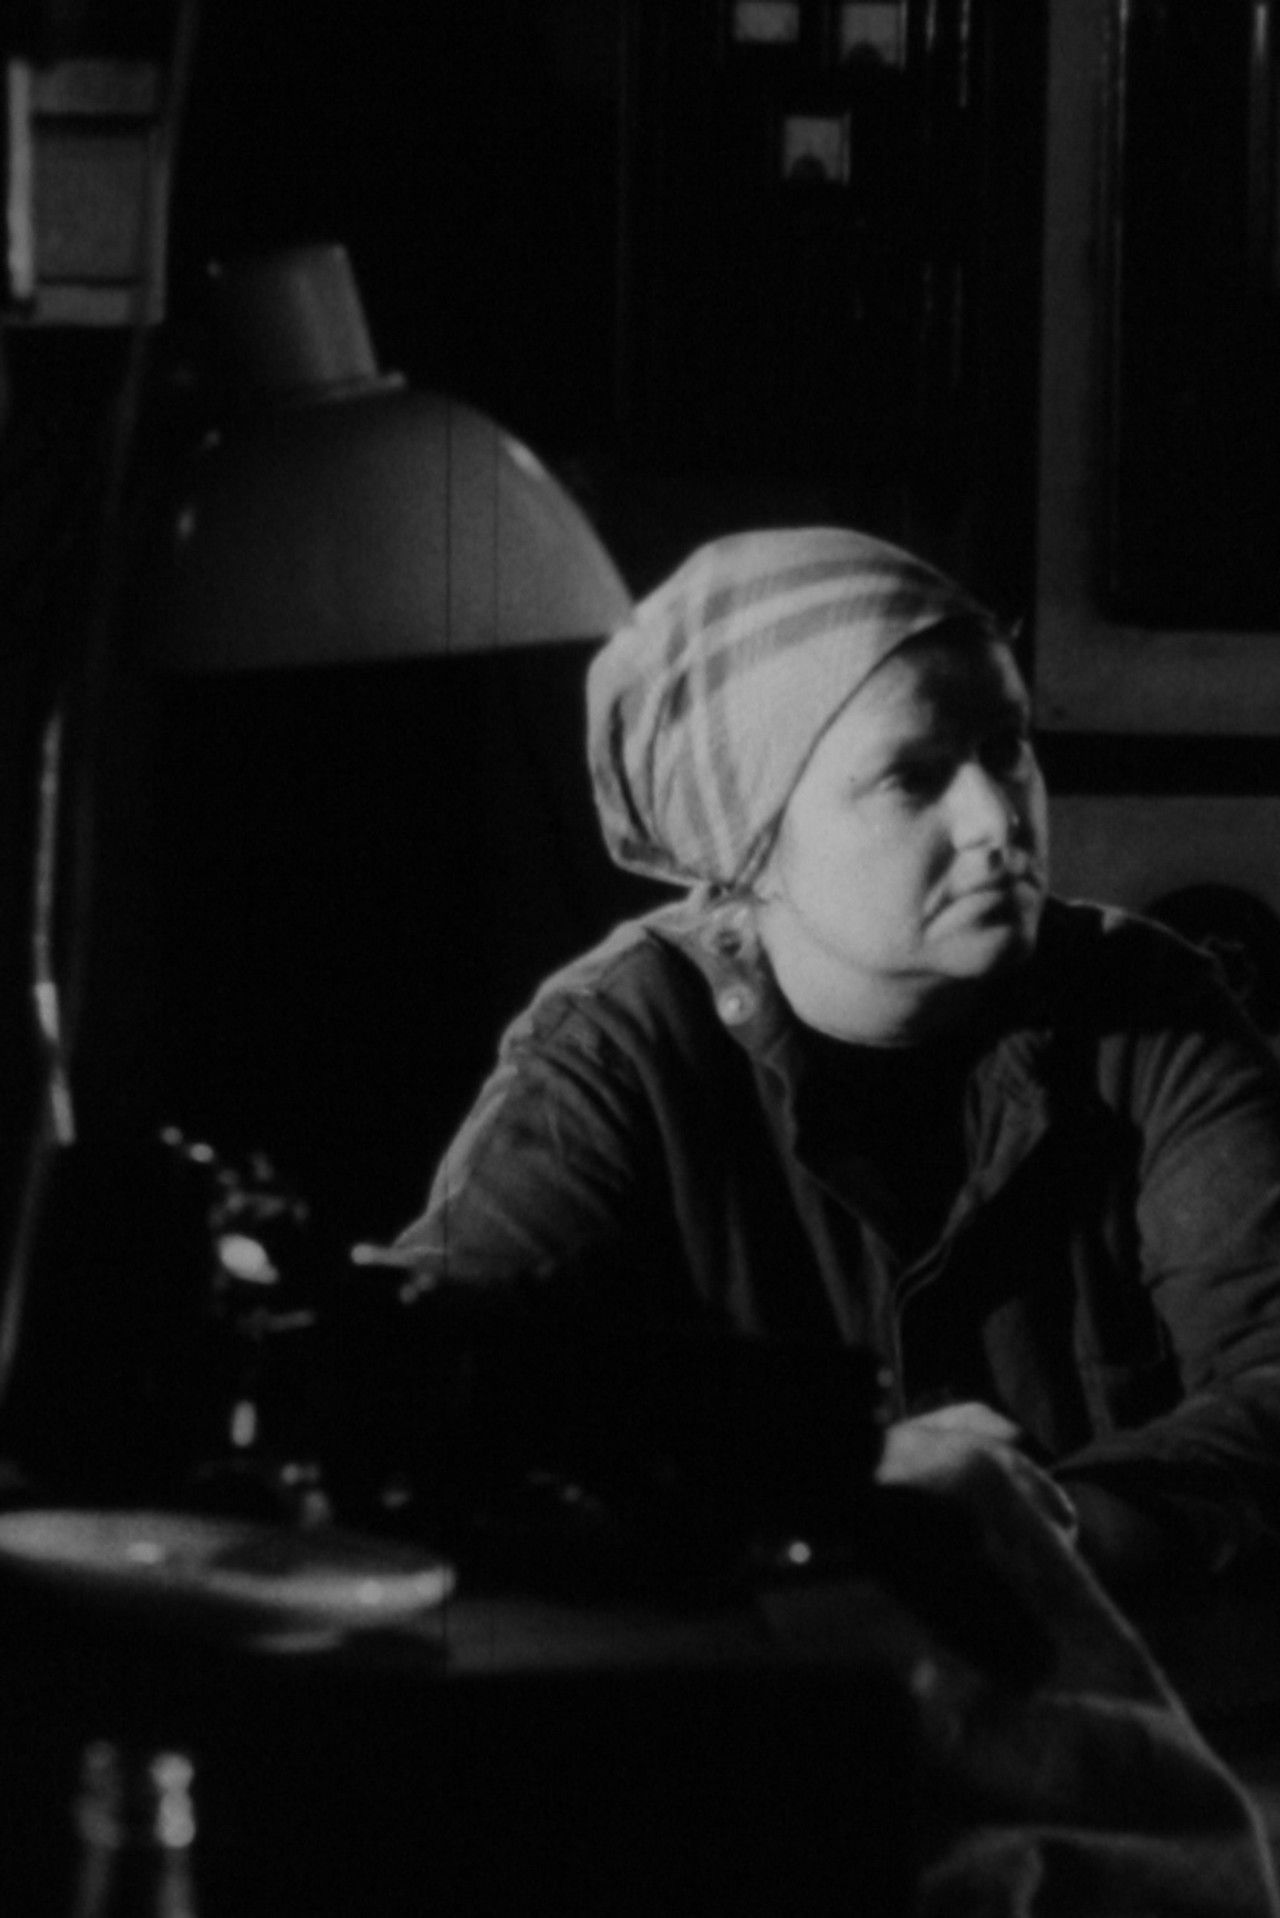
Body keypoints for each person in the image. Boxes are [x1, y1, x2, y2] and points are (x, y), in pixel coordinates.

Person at [366, 524, 1280, 1604]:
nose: (995, 819)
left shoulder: (1150, 1008)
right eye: (911, 777)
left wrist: (1054, 1529)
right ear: (748, 840)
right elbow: (426, 1394)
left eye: (1005, 745)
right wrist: (820, 1482)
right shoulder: (618, 1051)